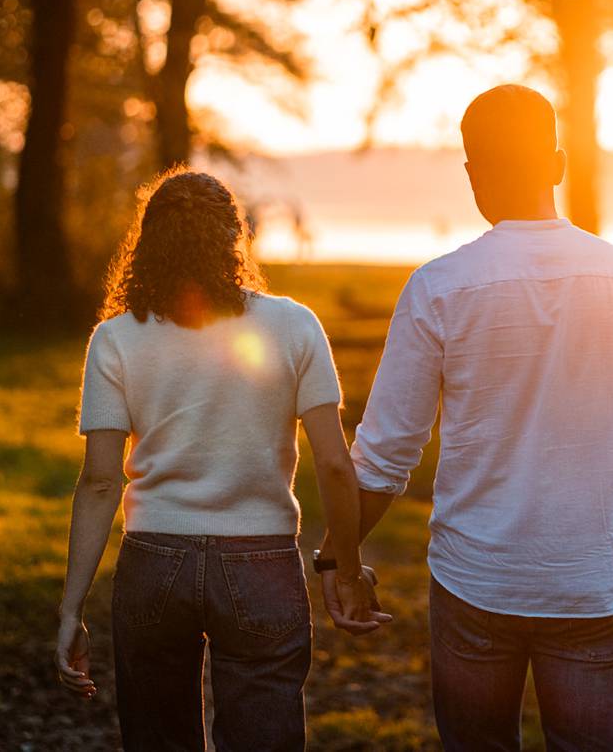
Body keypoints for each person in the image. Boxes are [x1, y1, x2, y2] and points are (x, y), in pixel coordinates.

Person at [315, 85, 613, 751]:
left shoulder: (439, 287)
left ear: (472, 175)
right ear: (556, 164)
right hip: (594, 585)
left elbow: (381, 459)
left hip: (475, 584)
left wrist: (339, 560)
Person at [54, 169, 390, 752]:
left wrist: (71, 609)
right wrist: (347, 567)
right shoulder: (293, 324)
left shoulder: (115, 338)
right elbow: (336, 465)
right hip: (261, 559)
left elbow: (101, 481)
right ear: (237, 238)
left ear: (149, 241)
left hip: (155, 558)